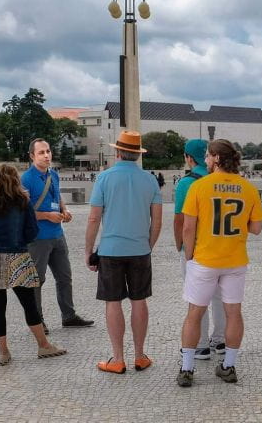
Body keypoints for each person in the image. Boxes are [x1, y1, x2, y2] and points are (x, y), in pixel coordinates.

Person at [177, 139, 262, 387]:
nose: (205, 159)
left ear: (216, 158)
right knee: (233, 312)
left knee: (195, 313)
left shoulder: (199, 186)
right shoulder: (248, 188)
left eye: (207, 155)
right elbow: (256, 228)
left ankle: (187, 368)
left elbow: (187, 227)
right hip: (235, 260)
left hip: (205, 258)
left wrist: (189, 256)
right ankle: (228, 365)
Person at [0, 164, 66, 365]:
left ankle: (3, 352)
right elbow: (32, 232)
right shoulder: (22, 202)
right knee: (28, 303)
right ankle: (43, 345)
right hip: (18, 258)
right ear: (14, 180)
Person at [85, 131, 162, 374]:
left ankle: (117, 358)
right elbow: (157, 221)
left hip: (110, 250)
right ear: (138, 155)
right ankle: (140, 355)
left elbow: (94, 217)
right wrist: (147, 245)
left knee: (113, 302)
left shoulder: (104, 178)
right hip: (139, 249)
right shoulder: (149, 180)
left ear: (117, 152)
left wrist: (88, 250)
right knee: (139, 300)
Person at [23, 139, 94, 332]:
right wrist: (47, 215)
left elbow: (56, 196)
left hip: (57, 234)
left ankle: (68, 316)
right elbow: (23, 213)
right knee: (37, 280)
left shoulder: (53, 174)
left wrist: (65, 209)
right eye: (41, 153)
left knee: (65, 277)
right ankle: (38, 321)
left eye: (48, 151)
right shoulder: (26, 179)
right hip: (38, 238)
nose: (46, 155)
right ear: (32, 156)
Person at [173, 139, 224, 361]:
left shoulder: (187, 183)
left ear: (189, 158)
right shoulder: (220, 180)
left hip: (196, 248)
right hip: (221, 246)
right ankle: (220, 340)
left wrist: (181, 245)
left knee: (198, 297)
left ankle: (201, 345)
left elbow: (180, 220)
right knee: (221, 296)